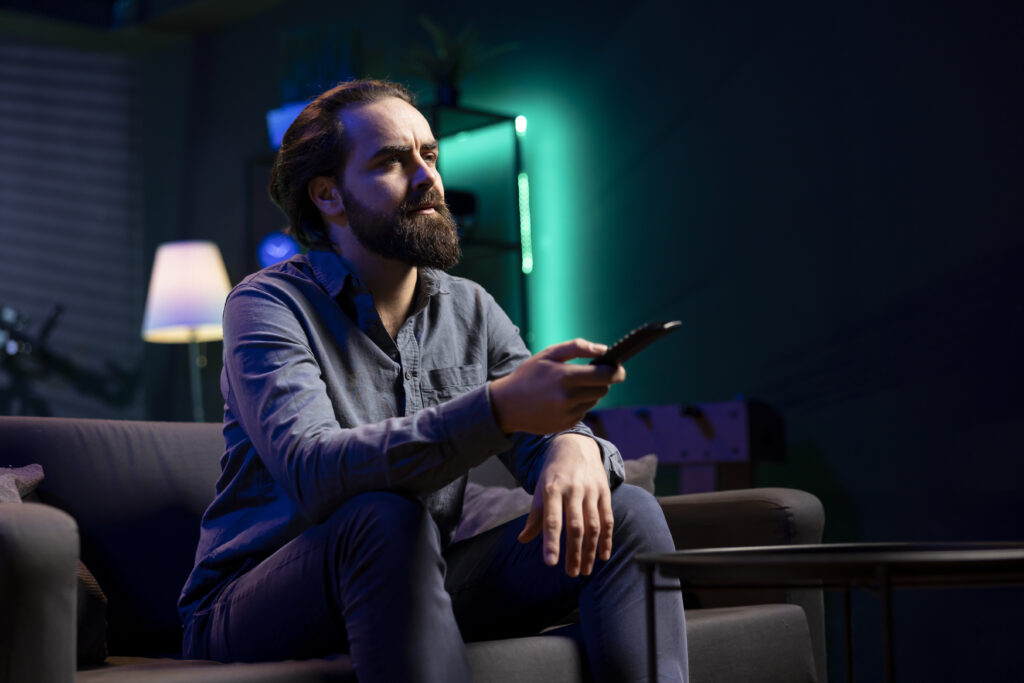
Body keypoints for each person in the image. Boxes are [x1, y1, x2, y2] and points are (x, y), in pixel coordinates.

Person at [178, 79, 688, 682]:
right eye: (392, 162)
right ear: (328, 196)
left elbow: (544, 438)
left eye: (429, 155)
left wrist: (573, 444)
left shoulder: (471, 308)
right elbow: (314, 472)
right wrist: (498, 409)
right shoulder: (265, 305)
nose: (428, 179)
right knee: (382, 517)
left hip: (414, 575)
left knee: (626, 509)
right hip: (256, 599)